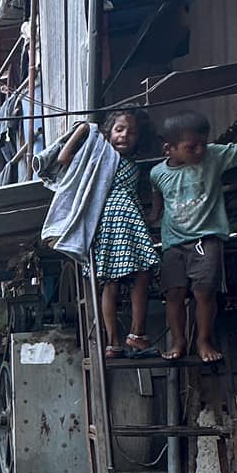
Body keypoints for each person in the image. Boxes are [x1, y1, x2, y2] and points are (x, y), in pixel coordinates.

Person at [150, 101, 237, 364]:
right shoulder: (157, 173)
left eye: (203, 143)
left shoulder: (213, 157)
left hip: (206, 239)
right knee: (173, 294)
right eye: (191, 147)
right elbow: (157, 197)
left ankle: (203, 340)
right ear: (169, 149)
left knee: (204, 293)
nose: (200, 150)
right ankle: (179, 341)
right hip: (173, 244)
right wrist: (153, 215)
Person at [55, 108, 157, 357]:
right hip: (117, 218)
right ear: (108, 132)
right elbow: (64, 158)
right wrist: (83, 130)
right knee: (139, 274)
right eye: (119, 130)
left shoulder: (132, 162)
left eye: (131, 132)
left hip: (123, 219)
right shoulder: (100, 156)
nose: (125, 136)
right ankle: (134, 335)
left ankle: (115, 343)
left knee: (114, 281)